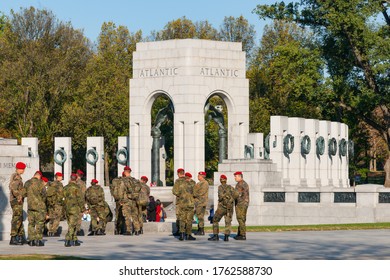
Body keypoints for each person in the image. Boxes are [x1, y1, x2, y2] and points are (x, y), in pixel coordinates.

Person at [208, 174, 238, 242]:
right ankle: (226, 237)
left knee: (215, 220)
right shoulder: (230, 187)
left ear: (220, 180)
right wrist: (231, 199)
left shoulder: (220, 187)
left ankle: (216, 236)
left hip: (222, 207)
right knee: (228, 222)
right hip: (229, 208)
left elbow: (221, 197)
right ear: (226, 180)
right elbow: (236, 193)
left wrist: (226, 197)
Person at [24, 171, 46, 246]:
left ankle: (31, 240)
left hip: (30, 206)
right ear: (39, 176)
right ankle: (38, 240)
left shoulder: (27, 183)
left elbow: (24, 194)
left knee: (31, 224)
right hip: (39, 206)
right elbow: (44, 194)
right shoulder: (40, 183)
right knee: (39, 223)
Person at [63, 173, 84, 247]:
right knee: (72, 225)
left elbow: (62, 198)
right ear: (76, 179)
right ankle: (68, 239)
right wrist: (83, 208)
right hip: (75, 208)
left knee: (72, 224)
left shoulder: (65, 188)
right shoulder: (77, 188)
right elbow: (80, 199)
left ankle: (75, 239)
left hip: (67, 208)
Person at [9, 162, 27, 245]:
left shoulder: (17, 176)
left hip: (16, 200)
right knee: (16, 219)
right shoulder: (16, 177)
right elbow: (13, 188)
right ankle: (13, 238)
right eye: (23, 169)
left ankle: (21, 237)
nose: (24, 170)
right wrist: (19, 197)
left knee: (19, 218)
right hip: (16, 201)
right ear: (20, 169)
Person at [122, 166, 142, 235]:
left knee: (127, 216)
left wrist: (121, 200)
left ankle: (129, 230)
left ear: (125, 172)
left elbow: (121, 191)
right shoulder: (135, 180)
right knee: (134, 215)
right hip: (134, 200)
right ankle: (137, 230)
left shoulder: (124, 181)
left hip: (127, 200)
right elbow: (139, 189)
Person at [45, 172, 64, 237]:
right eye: (61, 176)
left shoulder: (51, 184)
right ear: (58, 177)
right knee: (57, 217)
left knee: (52, 217)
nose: (62, 177)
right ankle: (53, 231)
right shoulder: (59, 184)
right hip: (57, 203)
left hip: (51, 203)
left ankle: (50, 231)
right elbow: (61, 194)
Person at [234, 171, 250, 240]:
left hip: (241, 204)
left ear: (240, 176)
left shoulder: (240, 184)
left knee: (240, 218)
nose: (235, 178)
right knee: (241, 218)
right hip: (243, 203)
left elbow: (236, 194)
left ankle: (242, 235)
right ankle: (240, 233)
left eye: (236, 176)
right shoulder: (243, 183)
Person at [193, 171, 209, 235]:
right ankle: (199, 229)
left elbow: (201, 192)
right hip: (198, 202)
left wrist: (193, 194)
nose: (198, 176)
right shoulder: (199, 183)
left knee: (200, 216)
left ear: (202, 176)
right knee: (198, 216)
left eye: (199, 175)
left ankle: (201, 230)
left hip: (201, 202)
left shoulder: (205, 183)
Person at [172, 168, 185, 236]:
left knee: (179, 216)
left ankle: (180, 230)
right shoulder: (188, 180)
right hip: (187, 202)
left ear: (179, 173)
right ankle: (186, 230)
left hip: (180, 202)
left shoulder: (178, 181)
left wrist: (180, 194)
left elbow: (174, 191)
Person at [75, 169, 87, 235]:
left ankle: (72, 229)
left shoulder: (72, 182)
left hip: (72, 202)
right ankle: (77, 230)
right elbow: (84, 193)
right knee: (79, 216)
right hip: (79, 202)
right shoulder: (82, 183)